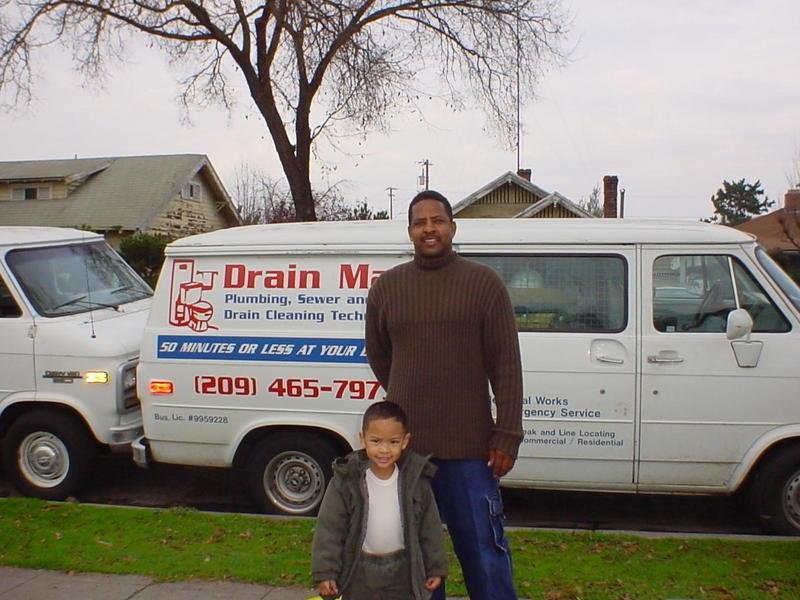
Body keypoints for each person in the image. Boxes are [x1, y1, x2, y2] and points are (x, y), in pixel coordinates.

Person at [365, 190, 523, 600]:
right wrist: (408, 391)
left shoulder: (484, 284)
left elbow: (506, 365)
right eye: (420, 223)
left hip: (470, 452)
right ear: (410, 232)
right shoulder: (388, 288)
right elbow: (380, 356)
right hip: (409, 455)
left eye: (437, 221)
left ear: (453, 227)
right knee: (418, 561)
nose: (429, 229)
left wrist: (507, 434)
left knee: (485, 555)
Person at [311, 400, 448, 600]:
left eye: (393, 442)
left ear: (405, 441)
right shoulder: (346, 481)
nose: (384, 450)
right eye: (376, 441)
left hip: (403, 572)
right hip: (359, 572)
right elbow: (330, 529)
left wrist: (435, 567)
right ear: (363, 439)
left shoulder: (416, 482)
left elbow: (430, 529)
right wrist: (326, 572)